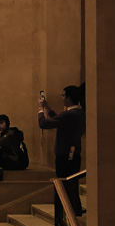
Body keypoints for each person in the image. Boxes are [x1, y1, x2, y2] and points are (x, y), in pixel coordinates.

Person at [37, 85, 86, 216]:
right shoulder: (80, 113)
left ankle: (66, 216)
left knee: (63, 188)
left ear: (69, 98)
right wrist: (48, 108)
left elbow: (44, 124)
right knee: (72, 187)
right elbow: (59, 120)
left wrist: (41, 110)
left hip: (65, 157)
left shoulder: (69, 114)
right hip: (74, 154)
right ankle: (76, 212)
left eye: (63, 96)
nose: (62, 98)